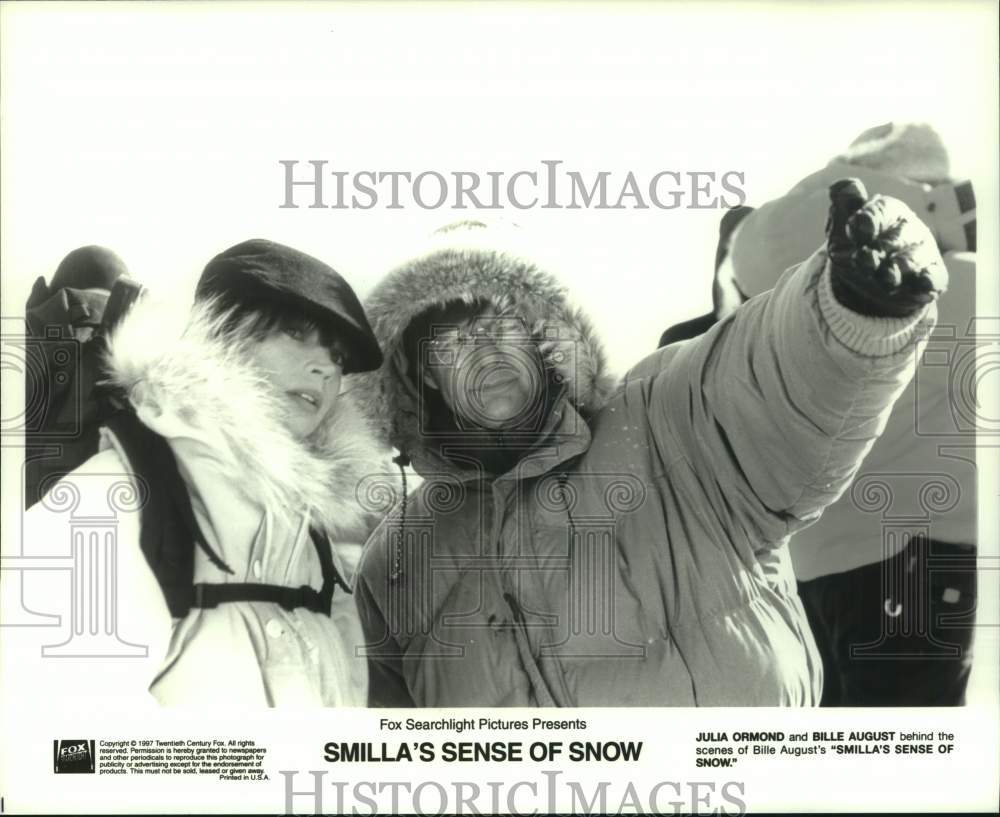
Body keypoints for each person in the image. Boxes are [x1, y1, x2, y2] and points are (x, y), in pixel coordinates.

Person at [352, 180, 947, 707]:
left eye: (499, 321)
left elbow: (770, 374)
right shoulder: (394, 563)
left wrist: (851, 308)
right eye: (452, 339)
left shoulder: (661, 416)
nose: (485, 349)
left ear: (543, 333)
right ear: (423, 372)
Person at [21, 239, 386, 707]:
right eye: (295, 333)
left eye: (337, 356)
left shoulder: (316, 536)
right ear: (223, 336)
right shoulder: (117, 494)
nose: (325, 368)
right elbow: (64, 737)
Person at [696, 123, 977, 705]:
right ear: (933, 194)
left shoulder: (770, 282)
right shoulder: (963, 284)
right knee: (911, 767)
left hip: (806, 563)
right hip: (921, 553)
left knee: (836, 756)